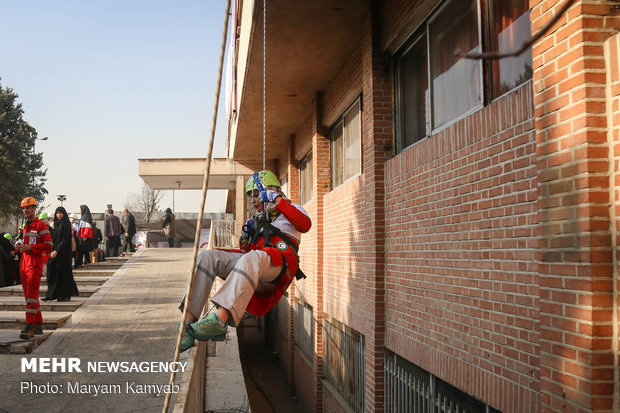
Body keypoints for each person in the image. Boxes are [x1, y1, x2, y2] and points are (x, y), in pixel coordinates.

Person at [178, 170, 311, 351]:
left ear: (271, 189)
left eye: (257, 194)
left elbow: (305, 224)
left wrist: (277, 200)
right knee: (208, 257)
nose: (254, 200)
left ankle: (220, 319)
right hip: (257, 267)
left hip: (280, 267)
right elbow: (246, 256)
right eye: (252, 196)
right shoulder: (260, 219)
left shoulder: (291, 208)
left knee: (254, 257)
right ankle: (187, 323)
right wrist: (245, 238)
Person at [15, 197, 52, 339]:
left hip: (34, 265)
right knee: (30, 297)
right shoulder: (25, 226)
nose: (25, 210)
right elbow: (25, 243)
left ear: (34, 209)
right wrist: (20, 246)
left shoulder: (41, 226)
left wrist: (31, 247)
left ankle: (29, 326)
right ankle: (38, 325)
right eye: (23, 208)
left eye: (28, 208)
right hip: (24, 264)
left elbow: (48, 243)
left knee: (31, 297)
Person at [45, 206, 79, 302]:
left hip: (63, 254)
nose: (59, 215)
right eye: (57, 213)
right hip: (56, 252)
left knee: (64, 274)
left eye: (61, 213)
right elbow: (55, 238)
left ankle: (65, 295)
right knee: (54, 272)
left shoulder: (66, 224)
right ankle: (53, 294)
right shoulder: (56, 224)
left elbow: (64, 240)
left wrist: (57, 250)